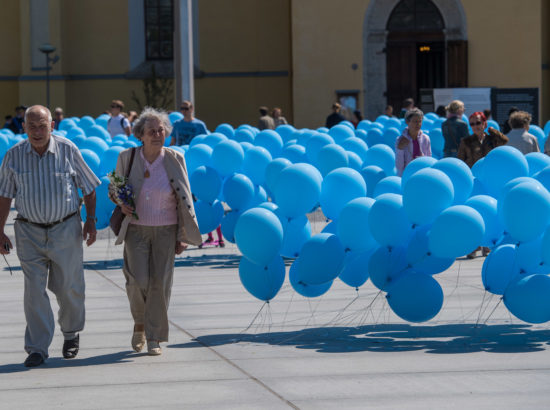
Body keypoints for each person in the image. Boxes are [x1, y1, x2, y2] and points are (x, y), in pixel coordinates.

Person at [0, 105, 100, 368]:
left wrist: (90, 221)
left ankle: (70, 333)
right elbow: (4, 195)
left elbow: (89, 188)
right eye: (31, 125)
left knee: (68, 286)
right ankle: (37, 347)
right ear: (23, 127)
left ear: (52, 126)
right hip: (28, 230)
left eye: (41, 125)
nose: (36, 131)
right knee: (33, 291)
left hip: (65, 228)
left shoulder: (68, 150)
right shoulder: (13, 156)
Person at [110, 108, 202, 356]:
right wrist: (121, 202)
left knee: (160, 284)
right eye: (152, 131)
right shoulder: (127, 157)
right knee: (137, 280)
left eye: (161, 130)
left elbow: (186, 199)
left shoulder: (175, 158)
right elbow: (114, 188)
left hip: (166, 229)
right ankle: (139, 322)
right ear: (140, 134)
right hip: (136, 229)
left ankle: (153, 337)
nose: (157, 134)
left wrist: (184, 234)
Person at [458, 111, 508, 259]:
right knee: (475, 212)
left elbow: (505, 141)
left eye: (478, 123)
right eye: (472, 123)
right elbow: (460, 161)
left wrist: (492, 131)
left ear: (484, 123)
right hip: (474, 181)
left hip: (490, 181)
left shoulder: (492, 139)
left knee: (488, 211)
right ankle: (474, 246)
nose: (475, 126)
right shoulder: (466, 141)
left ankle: (486, 245)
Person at [395, 108, 431, 176]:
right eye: (415, 121)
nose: (418, 124)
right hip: (406, 176)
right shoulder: (399, 140)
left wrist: (422, 159)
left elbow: (429, 161)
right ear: (407, 122)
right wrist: (400, 149)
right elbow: (399, 167)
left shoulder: (426, 139)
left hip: (422, 175)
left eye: (420, 121)